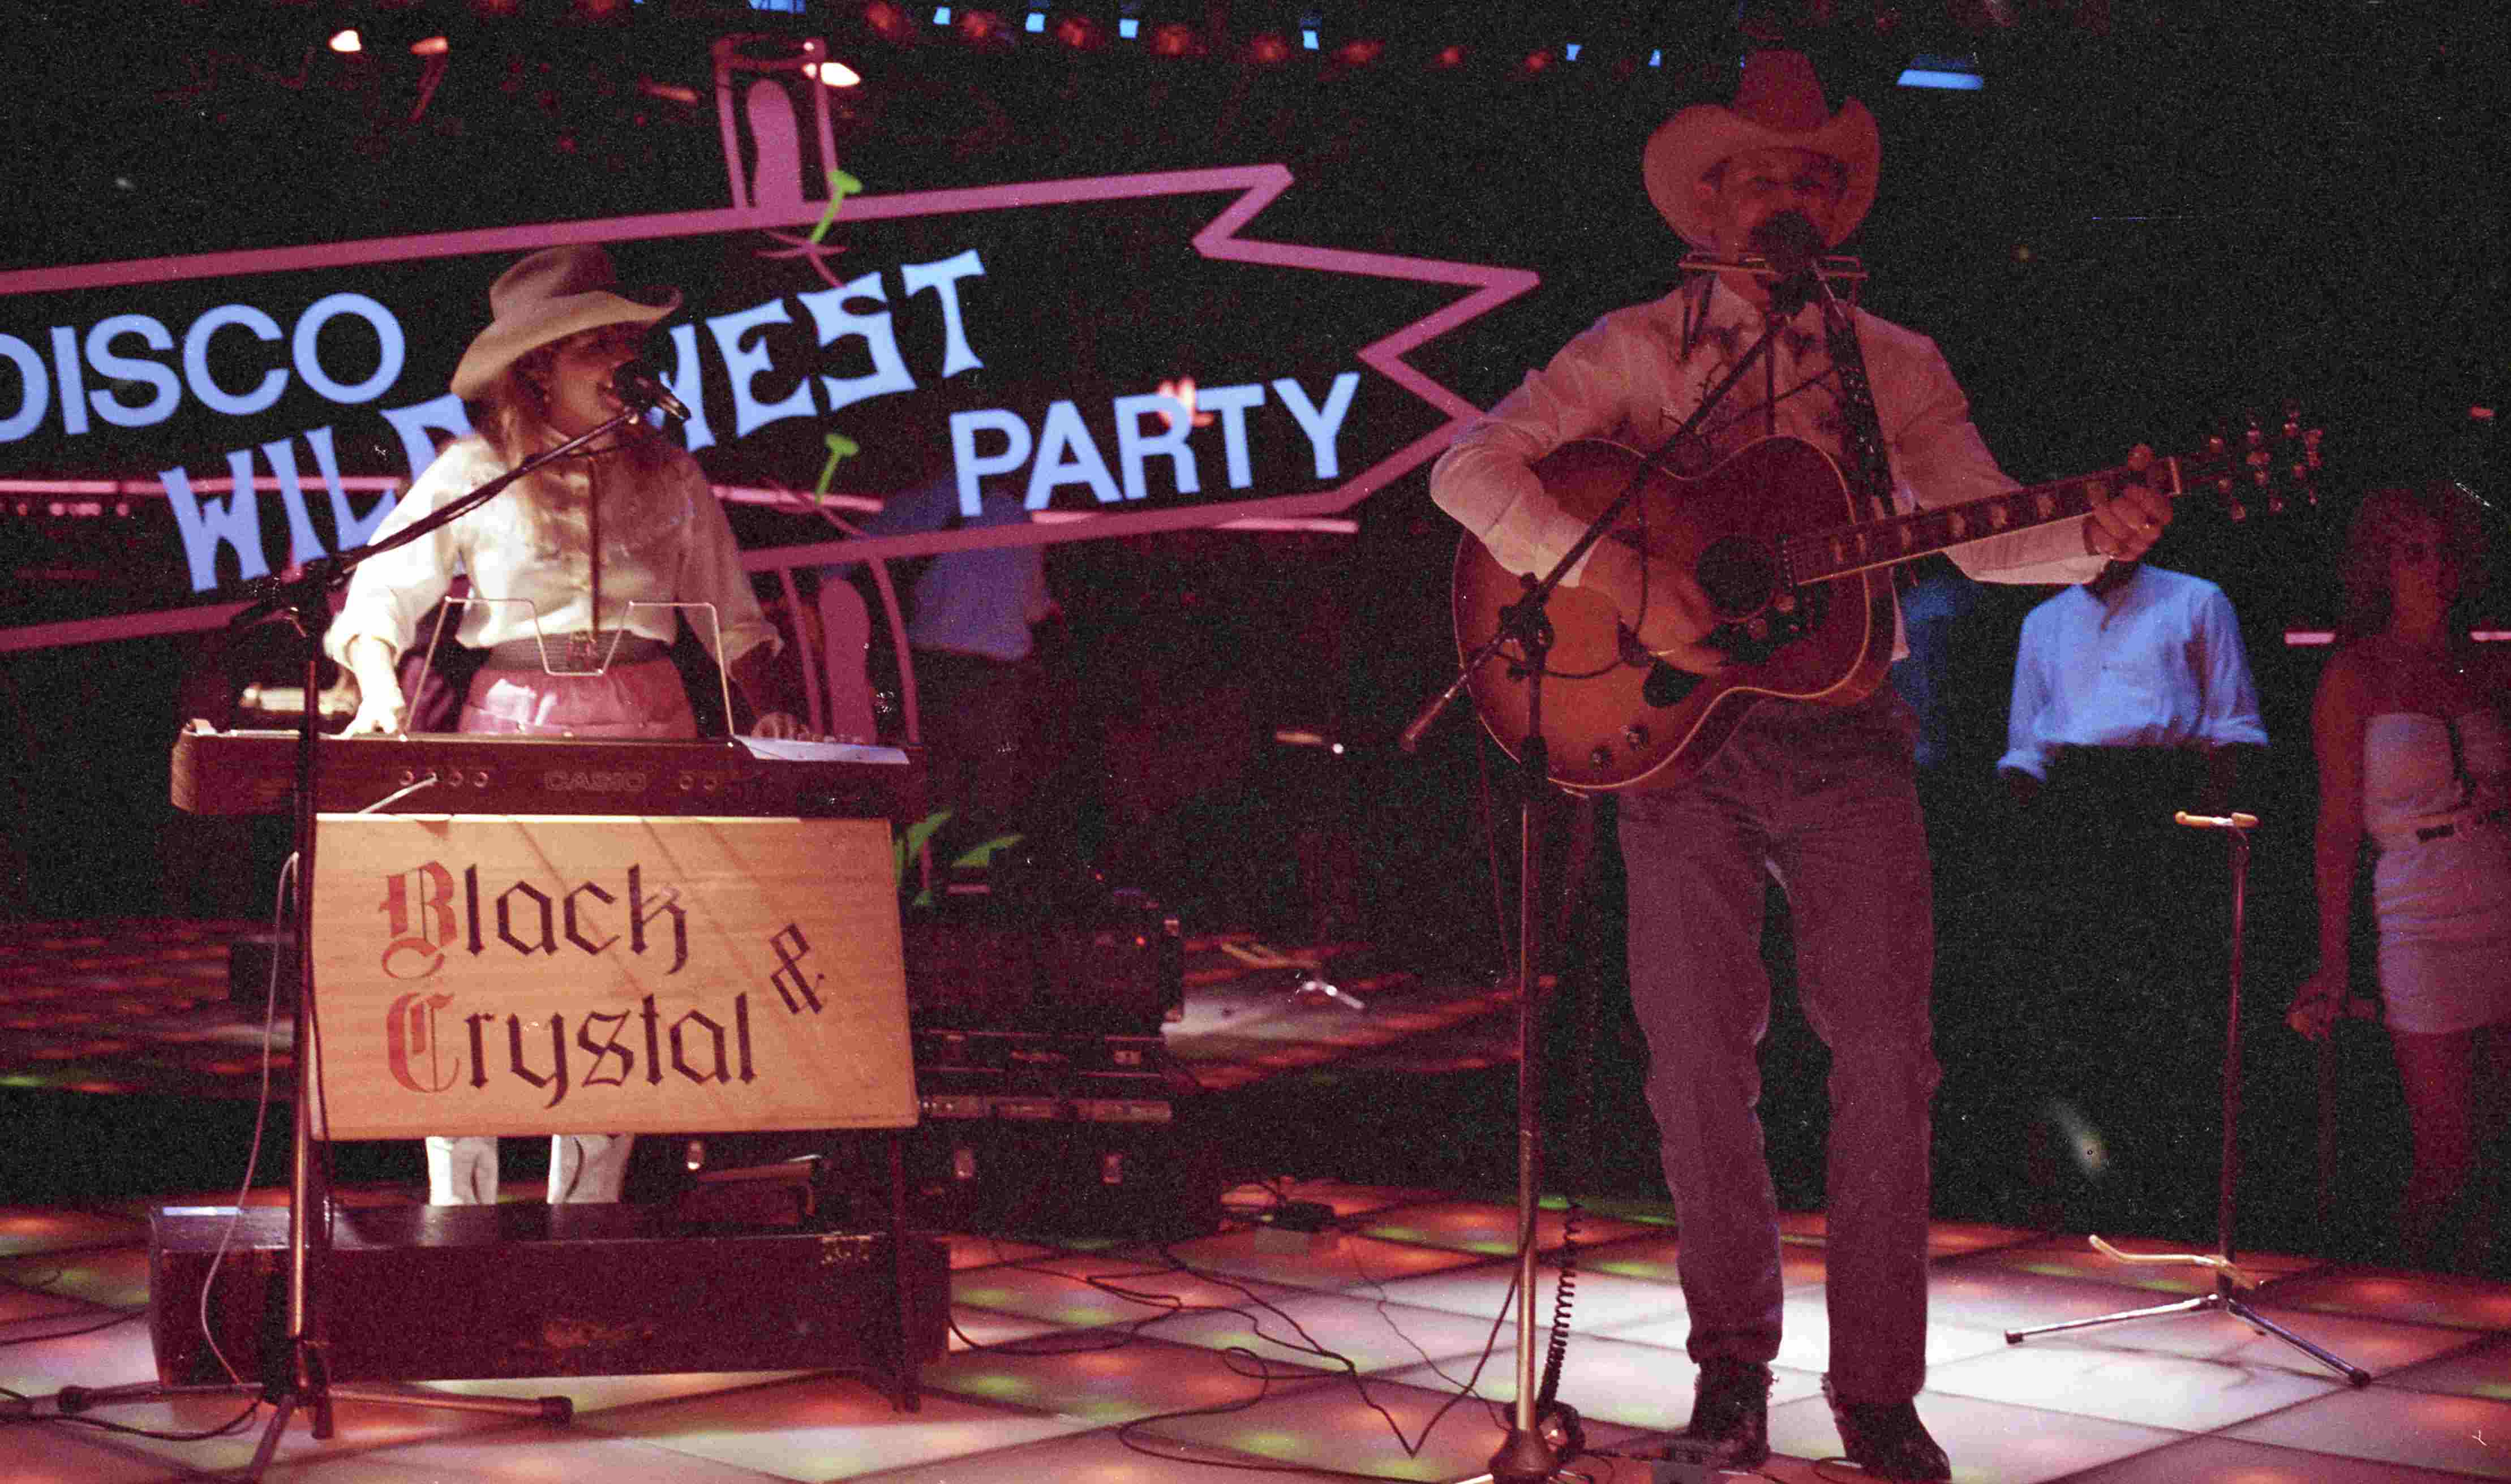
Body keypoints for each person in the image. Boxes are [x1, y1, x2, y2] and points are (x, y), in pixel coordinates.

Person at [1427, 51, 2171, 1481]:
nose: (1793, 200)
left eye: (1815, 181)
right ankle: (1728, 1371)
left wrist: (2096, 534)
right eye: (1764, 176)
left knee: (1887, 1060)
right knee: (1696, 1060)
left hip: (1844, 735)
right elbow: (1468, 469)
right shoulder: (1635, 350)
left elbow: (1974, 530)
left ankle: (1877, 1391)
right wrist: (1631, 584)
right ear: (1709, 201)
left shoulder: (1891, 363)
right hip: (1669, 742)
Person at [325, 243, 799, 1207]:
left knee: (624, 972)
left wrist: (773, 705)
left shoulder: (672, 473)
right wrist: (375, 684)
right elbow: (379, 594)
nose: (623, 358)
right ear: (537, 366)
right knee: (484, 962)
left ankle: (586, 1215)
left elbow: (736, 617)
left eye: (628, 340)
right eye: (597, 344)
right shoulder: (474, 470)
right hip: (515, 720)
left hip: (648, 718)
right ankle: (457, 1212)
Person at [1994, 559, 2269, 1228]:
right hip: (2077, 812)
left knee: (2169, 1009)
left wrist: (2196, 841)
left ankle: (2171, 1196)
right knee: (2079, 1012)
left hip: (2166, 805)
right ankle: (2085, 1197)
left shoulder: (2197, 600)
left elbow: (2233, 729)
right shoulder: (2044, 622)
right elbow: (2027, 750)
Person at [2289, 481, 2511, 1273]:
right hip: (2419, 912)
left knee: (2498, 1156)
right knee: (2445, 1155)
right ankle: (2393, 1301)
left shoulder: (2488, 664)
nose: (2434, 567)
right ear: (2382, 565)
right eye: (2414, 552)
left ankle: (2478, 1319)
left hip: (2499, 889)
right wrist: (2332, 961)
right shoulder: (2356, 672)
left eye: (2445, 550)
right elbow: (2337, 828)